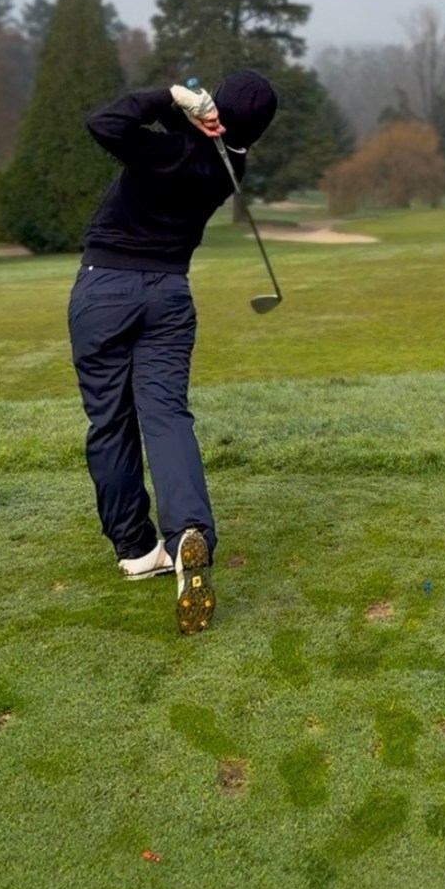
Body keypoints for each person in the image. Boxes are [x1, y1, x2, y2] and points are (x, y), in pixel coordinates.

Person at [68, 72, 278, 633]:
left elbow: (105, 123)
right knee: (165, 415)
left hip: (105, 289)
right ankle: (188, 532)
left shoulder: (170, 151)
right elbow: (196, 143)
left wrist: (167, 96)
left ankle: (137, 551)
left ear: (214, 112)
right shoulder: (228, 166)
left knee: (111, 421)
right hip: (169, 297)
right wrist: (194, 118)